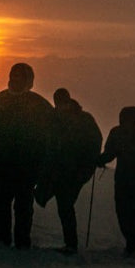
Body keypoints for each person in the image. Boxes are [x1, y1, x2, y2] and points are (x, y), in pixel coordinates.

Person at [0, 63, 54, 249]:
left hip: (27, 166)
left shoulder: (39, 105)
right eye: (13, 75)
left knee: (23, 206)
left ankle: (22, 241)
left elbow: (52, 134)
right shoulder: (0, 101)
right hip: (2, 163)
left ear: (28, 80)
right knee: (1, 203)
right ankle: (2, 239)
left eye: (20, 76)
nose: (15, 79)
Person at [37, 88, 102, 254]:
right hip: (59, 170)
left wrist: (87, 165)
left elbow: (94, 142)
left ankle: (71, 244)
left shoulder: (83, 120)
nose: (60, 105)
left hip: (74, 172)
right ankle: (70, 243)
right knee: (64, 206)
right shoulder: (55, 119)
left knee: (65, 205)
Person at [97, 106, 135, 257]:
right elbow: (110, 153)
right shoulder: (118, 133)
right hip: (123, 179)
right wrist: (100, 159)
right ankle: (131, 240)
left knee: (134, 211)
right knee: (122, 211)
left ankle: (132, 245)